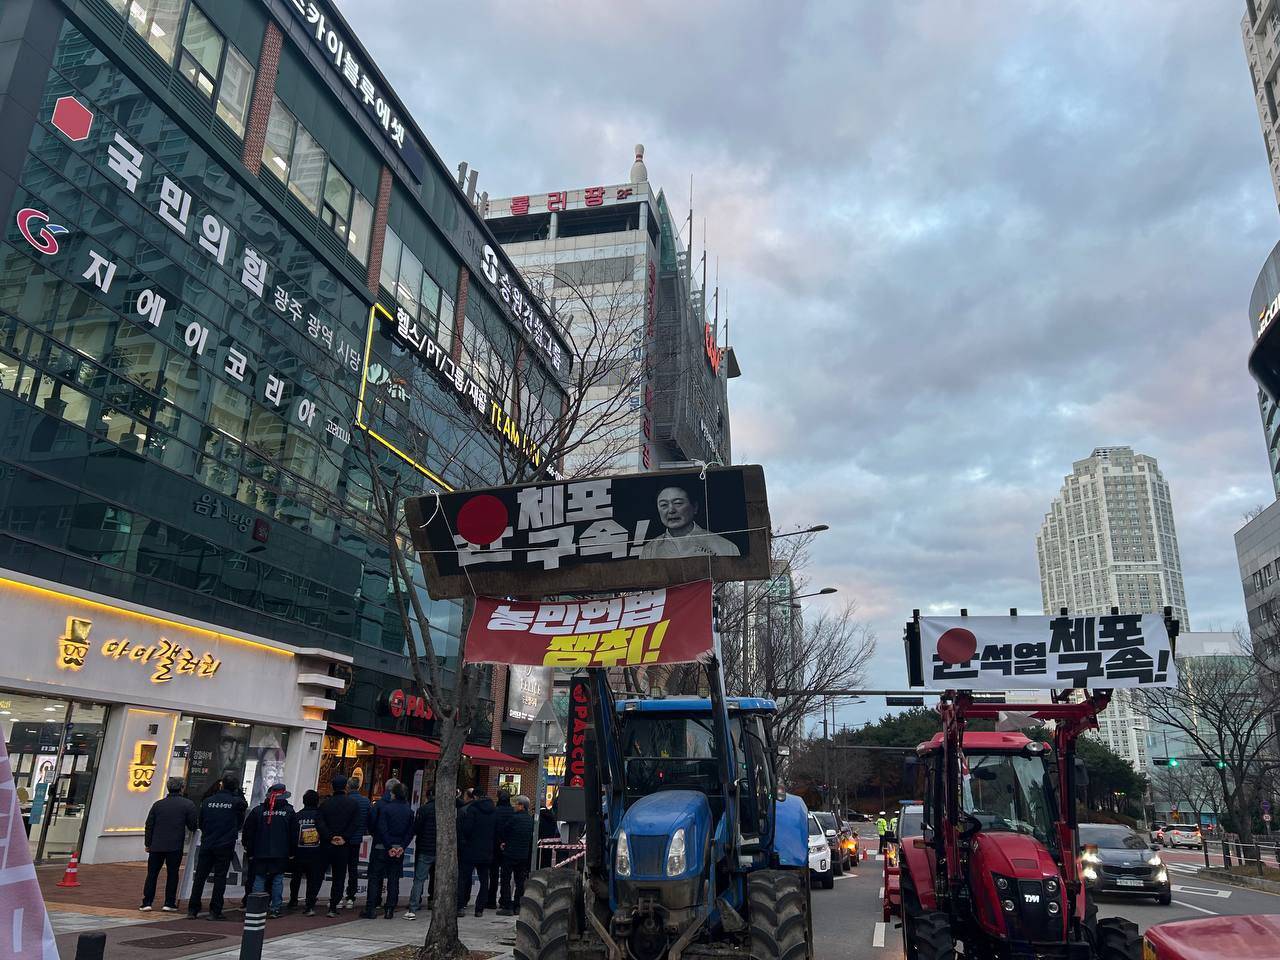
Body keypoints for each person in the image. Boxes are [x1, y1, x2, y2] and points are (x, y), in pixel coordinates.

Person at [188, 773, 246, 920]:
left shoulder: (208, 801)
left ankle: (192, 909)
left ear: (222, 785)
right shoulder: (236, 802)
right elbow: (241, 818)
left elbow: (201, 823)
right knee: (220, 878)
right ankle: (215, 910)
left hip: (207, 842)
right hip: (225, 844)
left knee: (200, 877)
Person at [637, 485, 740, 559]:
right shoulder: (649, 550)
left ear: (694, 507)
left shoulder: (725, 547)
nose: (671, 510)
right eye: (664, 505)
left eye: (678, 503)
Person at [141, 777, 197, 912]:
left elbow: (149, 825)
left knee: (152, 874)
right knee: (173, 873)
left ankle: (147, 902)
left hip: (156, 844)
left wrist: (148, 843)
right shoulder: (188, 805)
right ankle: (169, 902)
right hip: (175, 845)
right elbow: (193, 825)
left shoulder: (158, 804)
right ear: (182, 788)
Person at [362, 781, 413, 919]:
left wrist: (388, 846)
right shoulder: (409, 811)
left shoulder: (385, 808)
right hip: (398, 848)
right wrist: (402, 846)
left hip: (381, 847)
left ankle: (371, 908)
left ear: (393, 794)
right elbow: (410, 831)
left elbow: (381, 828)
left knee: (374, 877)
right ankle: (390, 908)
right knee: (393, 878)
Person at [242, 783, 294, 918]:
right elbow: (293, 834)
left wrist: (250, 849)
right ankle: (275, 908)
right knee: (277, 879)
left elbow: (248, 832)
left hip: (260, 851)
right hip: (280, 852)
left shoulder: (258, 811)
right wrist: (292, 852)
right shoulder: (288, 811)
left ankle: (256, 907)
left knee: (259, 878)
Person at [319, 774, 358, 917]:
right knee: (339, 876)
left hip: (327, 844)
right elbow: (355, 824)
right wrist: (344, 837)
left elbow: (320, 823)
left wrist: (329, 837)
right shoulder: (352, 804)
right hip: (343, 845)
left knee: (318, 874)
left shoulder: (325, 804)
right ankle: (334, 905)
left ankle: (310, 903)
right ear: (345, 787)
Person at [286, 790, 330, 916]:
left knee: (296, 877)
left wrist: (291, 851)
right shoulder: (320, 816)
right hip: (316, 853)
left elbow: (292, 835)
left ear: (304, 801)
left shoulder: (297, 816)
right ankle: (310, 904)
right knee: (313, 879)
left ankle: (293, 900)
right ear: (317, 802)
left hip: (299, 853)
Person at [458, 790, 496, 917]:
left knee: (464, 878)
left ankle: (460, 906)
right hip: (486, 850)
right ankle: (479, 909)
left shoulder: (472, 810)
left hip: (470, 849)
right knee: (484, 880)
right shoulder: (493, 811)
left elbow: (467, 829)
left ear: (475, 797)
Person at [498, 795, 535, 915]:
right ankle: (518, 905)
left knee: (506, 879)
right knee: (520, 881)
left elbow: (505, 831)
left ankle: (507, 905)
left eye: (517, 804)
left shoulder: (514, 819)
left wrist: (504, 842)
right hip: (523, 855)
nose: (514, 806)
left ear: (521, 806)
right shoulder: (530, 820)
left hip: (510, 853)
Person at [405, 789, 437, 920]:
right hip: (439, 849)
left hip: (424, 848)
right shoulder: (447, 810)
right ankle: (433, 901)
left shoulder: (423, 810)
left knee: (419, 879)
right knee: (436, 878)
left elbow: (416, 828)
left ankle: (413, 906)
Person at [342, 776, 372, 908]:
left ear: (348, 786)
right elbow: (369, 820)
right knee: (353, 868)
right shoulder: (365, 801)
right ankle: (351, 896)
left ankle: (338, 896)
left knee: (340, 868)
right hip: (357, 838)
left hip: (342, 839)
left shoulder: (345, 800)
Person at [487, 790, 514, 910]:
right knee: (505, 876)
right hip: (508, 847)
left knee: (493, 875)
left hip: (495, 846)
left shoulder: (495, 811)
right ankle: (504, 900)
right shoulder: (513, 812)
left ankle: (491, 900)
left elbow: (492, 829)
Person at [537, 804, 558, 869]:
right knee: (547, 861)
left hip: (539, 843)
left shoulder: (538, 817)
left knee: (539, 860)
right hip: (550, 844)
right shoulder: (552, 817)